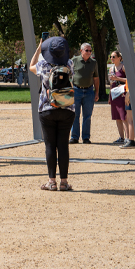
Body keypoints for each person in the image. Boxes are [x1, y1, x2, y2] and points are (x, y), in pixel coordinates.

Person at [29, 36, 76, 191]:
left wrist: (38, 48)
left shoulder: (43, 64)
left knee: (50, 145)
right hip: (67, 108)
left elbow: (31, 67)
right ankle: (64, 182)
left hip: (47, 108)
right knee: (63, 145)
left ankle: (51, 181)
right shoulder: (70, 63)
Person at [69, 43, 100, 144]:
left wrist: (97, 93)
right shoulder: (74, 61)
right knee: (75, 115)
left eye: (90, 51)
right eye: (87, 50)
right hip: (76, 90)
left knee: (87, 115)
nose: (89, 53)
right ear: (81, 50)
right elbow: (68, 74)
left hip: (89, 91)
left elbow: (96, 78)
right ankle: (74, 137)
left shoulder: (93, 62)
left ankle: (86, 137)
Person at [107, 52, 132, 146]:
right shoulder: (111, 68)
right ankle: (121, 137)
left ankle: (127, 137)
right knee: (117, 116)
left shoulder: (124, 67)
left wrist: (118, 78)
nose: (112, 58)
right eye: (111, 57)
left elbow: (129, 79)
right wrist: (109, 96)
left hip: (122, 93)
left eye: (114, 56)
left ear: (119, 58)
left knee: (123, 116)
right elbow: (111, 83)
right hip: (114, 93)